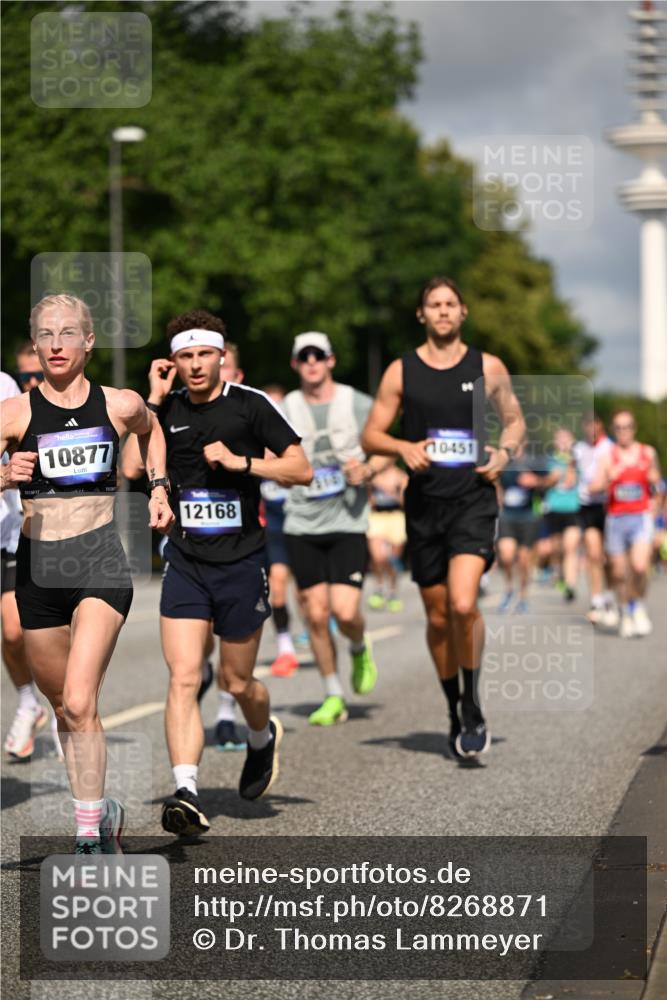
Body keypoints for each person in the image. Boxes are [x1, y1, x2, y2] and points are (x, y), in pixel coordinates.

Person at [0, 294, 173, 853]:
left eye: (67, 333)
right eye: (45, 335)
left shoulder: (120, 404)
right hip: (37, 567)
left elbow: (152, 430)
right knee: (64, 710)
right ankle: (103, 813)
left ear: (88, 341)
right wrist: (4, 475)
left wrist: (159, 486)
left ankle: (87, 836)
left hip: (99, 558)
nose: (55, 345)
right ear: (35, 344)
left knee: (79, 700)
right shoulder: (15, 414)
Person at [143, 310, 311, 835]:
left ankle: (262, 738)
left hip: (241, 563)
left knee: (239, 682)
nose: (194, 365)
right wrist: (150, 404)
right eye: (184, 356)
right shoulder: (165, 410)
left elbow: (300, 468)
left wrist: (243, 464)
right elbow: (131, 466)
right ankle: (187, 790)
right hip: (187, 563)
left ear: (221, 356)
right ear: (173, 362)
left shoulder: (250, 406)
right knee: (185, 676)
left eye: (203, 355)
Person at [362, 276, 525, 758]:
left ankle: (473, 702)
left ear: (463, 312)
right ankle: (454, 707)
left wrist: (505, 451)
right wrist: (403, 446)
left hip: (473, 499)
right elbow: (372, 434)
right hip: (424, 506)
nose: (443, 311)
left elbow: (514, 419)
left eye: (451, 304)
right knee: (436, 619)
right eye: (434, 305)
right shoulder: (401, 371)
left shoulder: (487, 366)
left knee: (461, 604)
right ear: (422, 315)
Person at [282, 332, 385, 726]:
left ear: (331, 361)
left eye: (318, 355)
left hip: (347, 521)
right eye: (303, 356)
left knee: (344, 611)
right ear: (295, 364)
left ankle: (358, 644)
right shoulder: (284, 407)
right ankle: (332, 693)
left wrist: (370, 468)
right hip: (301, 522)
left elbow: (387, 448)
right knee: (315, 613)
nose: (311, 362)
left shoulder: (357, 402)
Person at [1, 370, 48, 759]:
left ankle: (31, 701)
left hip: (7, 532)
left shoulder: (4, 386)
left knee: (15, 632)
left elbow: (21, 457)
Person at [589, 410, 662, 638]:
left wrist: (656, 509)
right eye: (619, 428)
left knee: (640, 567)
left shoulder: (647, 453)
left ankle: (636, 605)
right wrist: (607, 478)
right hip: (616, 519)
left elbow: (658, 485)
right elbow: (592, 487)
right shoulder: (608, 456)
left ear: (634, 428)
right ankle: (624, 609)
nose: (623, 431)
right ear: (613, 430)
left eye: (627, 426)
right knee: (619, 572)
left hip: (640, 517)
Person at [259, 384, 300, 678]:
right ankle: (286, 647)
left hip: (304, 518)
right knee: (278, 581)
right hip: (272, 519)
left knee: (314, 598)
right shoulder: (254, 436)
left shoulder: (294, 438)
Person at [573, 414, 615, 624]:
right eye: (587, 425)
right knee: (593, 554)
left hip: (608, 505)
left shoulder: (609, 447)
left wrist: (603, 484)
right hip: (587, 505)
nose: (591, 429)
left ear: (600, 425)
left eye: (594, 425)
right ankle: (596, 600)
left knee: (610, 558)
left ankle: (610, 595)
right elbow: (571, 469)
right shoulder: (579, 448)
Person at [534, 428, 581, 602]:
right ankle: (559, 573)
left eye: (566, 439)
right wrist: (550, 480)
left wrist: (571, 470)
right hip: (554, 509)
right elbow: (539, 484)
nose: (563, 443)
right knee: (557, 548)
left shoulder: (577, 461)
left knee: (571, 547)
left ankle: (570, 585)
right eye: (559, 439)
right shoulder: (549, 461)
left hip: (573, 509)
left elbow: (583, 482)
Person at [495, 457, 540, 614]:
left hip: (527, 517)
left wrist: (536, 481)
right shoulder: (503, 461)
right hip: (507, 516)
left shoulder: (534, 462)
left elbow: (550, 481)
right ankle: (508, 588)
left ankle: (523, 597)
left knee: (524, 561)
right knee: (506, 556)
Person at [366, 461, 408, 612]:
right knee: (378, 557)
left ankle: (392, 592)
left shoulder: (400, 476)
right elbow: (369, 500)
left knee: (393, 559)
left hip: (396, 517)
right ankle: (378, 587)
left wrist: (390, 491)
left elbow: (405, 501)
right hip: (377, 517)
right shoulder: (371, 474)